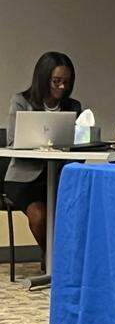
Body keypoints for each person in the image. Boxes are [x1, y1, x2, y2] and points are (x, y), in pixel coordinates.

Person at [4, 52, 81, 255]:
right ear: (43, 78)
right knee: (39, 216)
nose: (62, 87)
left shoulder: (73, 106)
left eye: (66, 82)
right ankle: (53, 261)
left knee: (77, 212)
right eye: (56, 81)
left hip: (58, 178)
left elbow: (78, 143)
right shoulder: (21, 101)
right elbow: (13, 142)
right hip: (24, 179)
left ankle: (65, 263)